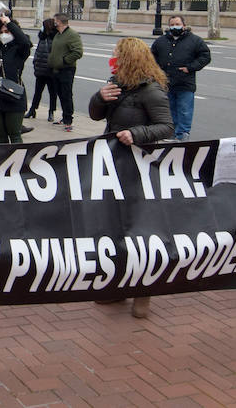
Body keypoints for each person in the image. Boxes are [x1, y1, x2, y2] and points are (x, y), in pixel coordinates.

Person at [89, 37, 173, 318]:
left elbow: (166, 127)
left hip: (139, 167)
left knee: (139, 230)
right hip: (114, 164)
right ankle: (117, 286)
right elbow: (95, 115)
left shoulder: (151, 91)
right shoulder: (117, 84)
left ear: (129, 59)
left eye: (116, 56)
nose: (112, 60)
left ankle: (143, 290)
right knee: (113, 227)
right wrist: (100, 97)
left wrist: (137, 134)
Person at [150, 15, 211, 141]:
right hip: (165, 84)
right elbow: (150, 57)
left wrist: (190, 67)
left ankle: (183, 135)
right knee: (169, 110)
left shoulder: (194, 41)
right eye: (172, 24)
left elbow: (205, 56)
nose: (174, 26)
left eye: (177, 24)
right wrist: (156, 71)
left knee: (184, 111)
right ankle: (170, 133)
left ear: (184, 25)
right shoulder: (161, 41)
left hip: (185, 83)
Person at [0, 11, 33, 143]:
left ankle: (18, 160)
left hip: (13, 97)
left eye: (8, 31)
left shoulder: (19, 50)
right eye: (2, 32)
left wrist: (9, 23)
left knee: (14, 135)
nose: (4, 34)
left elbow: (25, 42)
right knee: (1, 136)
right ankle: (2, 160)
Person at [47, 13, 84, 132]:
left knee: (66, 95)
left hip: (66, 70)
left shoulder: (72, 35)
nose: (53, 23)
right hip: (56, 70)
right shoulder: (58, 34)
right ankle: (64, 117)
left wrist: (64, 61)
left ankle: (68, 120)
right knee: (60, 95)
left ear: (59, 22)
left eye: (54, 21)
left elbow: (78, 52)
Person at [26, 18, 59, 123]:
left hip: (51, 70)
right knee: (38, 91)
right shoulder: (42, 38)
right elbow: (38, 53)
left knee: (52, 92)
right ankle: (33, 110)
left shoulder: (55, 38)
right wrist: (35, 64)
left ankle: (51, 111)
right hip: (41, 69)